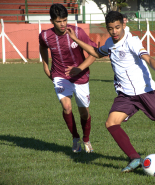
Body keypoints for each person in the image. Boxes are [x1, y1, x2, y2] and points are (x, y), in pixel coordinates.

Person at [66, 11, 155, 172]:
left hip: (145, 92)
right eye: (111, 28)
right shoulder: (109, 43)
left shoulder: (132, 42)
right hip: (125, 95)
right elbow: (97, 53)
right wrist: (76, 40)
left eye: (117, 27)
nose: (114, 31)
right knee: (111, 123)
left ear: (124, 25)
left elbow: (148, 58)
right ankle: (134, 158)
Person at [39, 3, 97, 153]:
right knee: (66, 107)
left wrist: (79, 68)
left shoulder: (78, 32)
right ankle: (75, 138)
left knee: (84, 112)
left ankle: (86, 139)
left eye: (65, 20)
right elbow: (43, 46)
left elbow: (94, 53)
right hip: (59, 75)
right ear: (52, 21)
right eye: (59, 21)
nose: (63, 24)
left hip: (80, 75)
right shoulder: (45, 35)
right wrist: (46, 66)